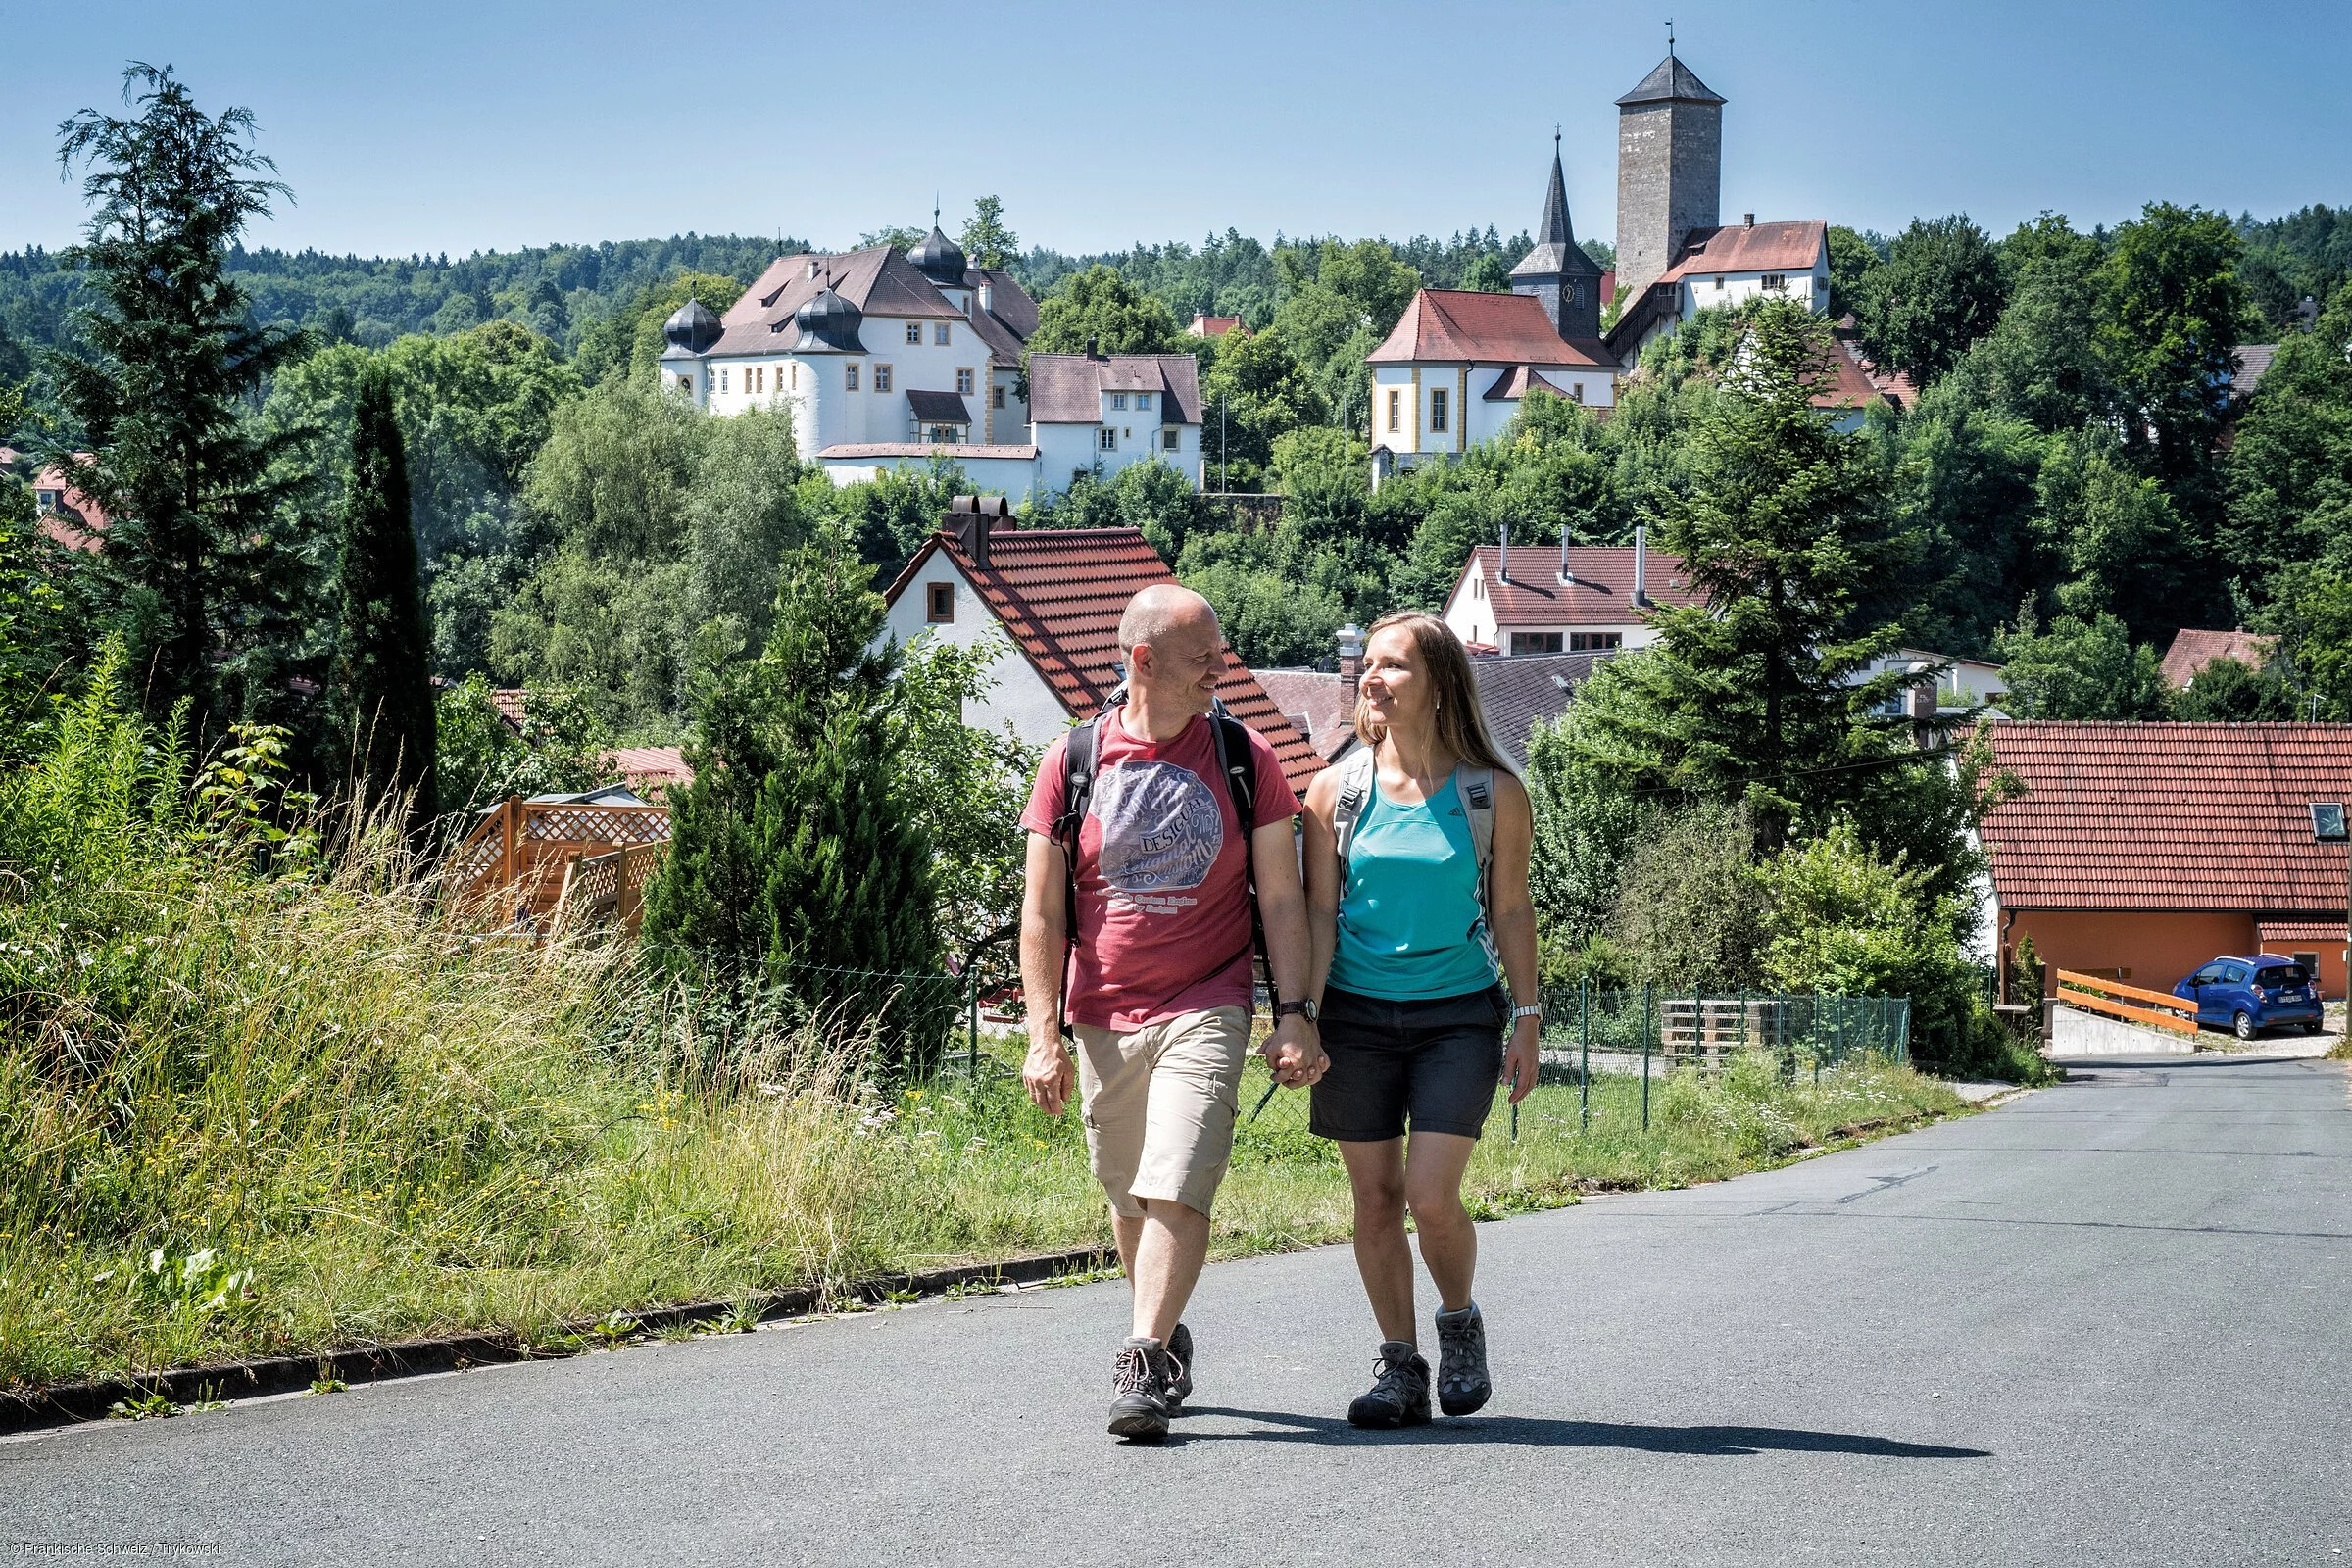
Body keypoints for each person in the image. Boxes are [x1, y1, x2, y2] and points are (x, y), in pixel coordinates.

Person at [1018, 583, 1324, 1444]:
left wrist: (1293, 1012)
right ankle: (1166, 1321)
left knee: (1179, 1177)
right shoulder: (1071, 763)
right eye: (1204, 661)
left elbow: (1281, 896)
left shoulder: (1242, 755)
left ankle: (1143, 1354)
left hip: (1209, 1000)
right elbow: (1040, 914)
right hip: (1103, 1012)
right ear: (1142, 662)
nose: (1219, 674)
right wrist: (1043, 1036)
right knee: (1129, 1193)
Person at [1298, 611, 1541, 1428]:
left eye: (1393, 665)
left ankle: (1459, 1323)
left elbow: (1511, 911)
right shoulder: (1335, 791)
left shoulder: (1492, 794)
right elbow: (1318, 915)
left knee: (1431, 1196)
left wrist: (1529, 1017)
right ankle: (1399, 1366)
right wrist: (1302, 1014)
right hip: (1356, 1019)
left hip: (1457, 1019)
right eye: (1368, 663)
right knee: (1375, 1199)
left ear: (1439, 682)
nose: (1373, 677)